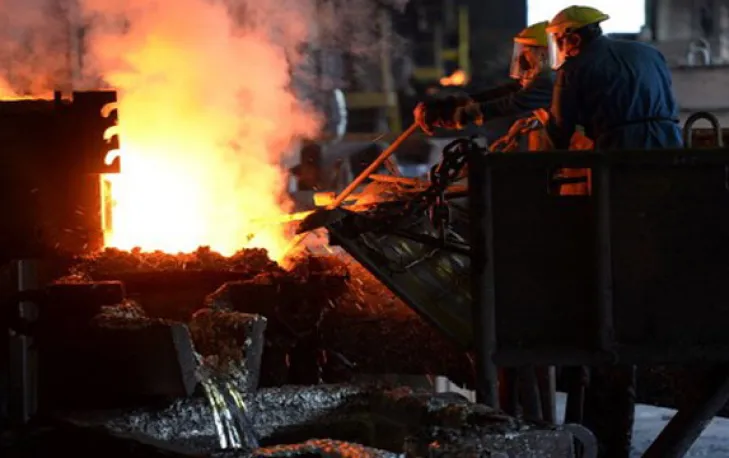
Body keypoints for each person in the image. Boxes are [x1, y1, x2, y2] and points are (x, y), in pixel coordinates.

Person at [545, 5, 683, 151]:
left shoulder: (573, 68)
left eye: (559, 42)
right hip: (670, 142)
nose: (559, 49)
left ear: (575, 39)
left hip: (621, 148)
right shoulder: (650, 52)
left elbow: (560, 128)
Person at [414, 21, 554, 135]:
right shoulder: (542, 83)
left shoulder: (551, 82)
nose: (522, 60)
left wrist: (461, 115)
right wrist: (456, 105)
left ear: (544, 54)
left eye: (528, 52)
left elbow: (514, 102)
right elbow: (508, 92)